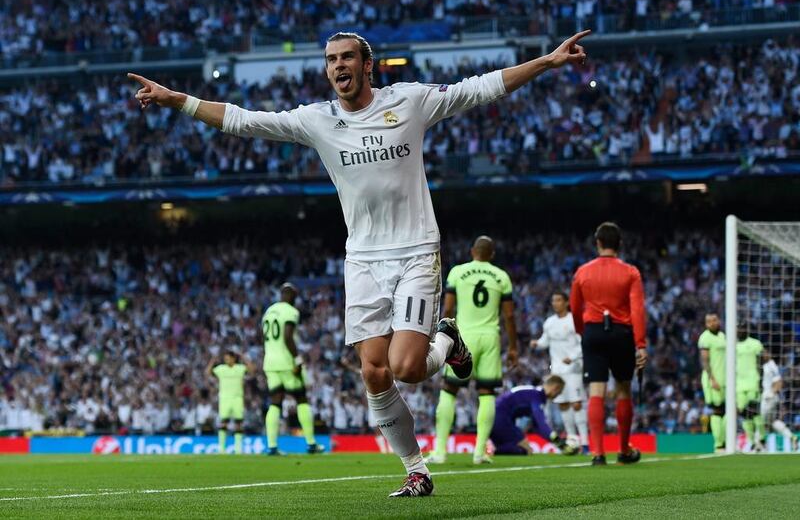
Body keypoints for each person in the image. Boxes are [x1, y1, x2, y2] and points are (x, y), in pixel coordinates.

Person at [128, 28, 591, 497]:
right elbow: (243, 120)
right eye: (331, 60)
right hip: (363, 259)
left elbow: (482, 87)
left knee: (407, 367)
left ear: (367, 65)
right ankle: (416, 469)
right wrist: (176, 99)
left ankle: (447, 339)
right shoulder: (316, 120)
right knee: (374, 371)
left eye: (347, 57)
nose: (338, 66)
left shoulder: (409, 101)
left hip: (414, 251)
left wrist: (545, 62)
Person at [428, 235, 517, 465]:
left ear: (472, 251)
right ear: (492, 255)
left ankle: (439, 451)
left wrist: (440, 336)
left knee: (449, 389)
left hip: (463, 336)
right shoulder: (501, 276)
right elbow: (508, 314)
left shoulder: (458, 272)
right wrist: (514, 347)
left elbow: (448, 307)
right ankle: (479, 452)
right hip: (490, 337)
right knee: (487, 392)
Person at [570, 222, 647, 466]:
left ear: (598, 243)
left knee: (596, 389)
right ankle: (624, 450)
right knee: (623, 388)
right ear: (619, 244)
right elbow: (637, 310)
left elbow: (574, 307)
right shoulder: (631, 272)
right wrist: (641, 344)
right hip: (621, 332)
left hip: (593, 331)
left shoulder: (583, 272)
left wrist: (584, 332)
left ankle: (598, 453)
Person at [262, 283, 324, 455]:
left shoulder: (269, 311)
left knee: (275, 401)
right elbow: (288, 337)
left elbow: (263, 337)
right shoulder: (290, 311)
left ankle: (272, 446)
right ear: (292, 295)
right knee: (301, 398)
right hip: (286, 361)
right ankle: (311, 443)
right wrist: (297, 360)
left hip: (270, 361)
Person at [530, 291, 588, 453]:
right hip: (557, 369)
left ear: (567, 302)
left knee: (576, 403)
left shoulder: (574, 320)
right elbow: (545, 341)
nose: (555, 303)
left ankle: (585, 442)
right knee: (562, 403)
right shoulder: (549, 322)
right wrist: (537, 344)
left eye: (558, 300)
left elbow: (583, 343)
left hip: (574, 367)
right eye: (553, 300)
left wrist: (574, 357)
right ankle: (572, 439)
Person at [490, 375, 578, 455]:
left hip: (493, 416)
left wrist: (556, 442)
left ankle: (494, 449)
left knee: (515, 447)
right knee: (526, 449)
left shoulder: (533, 392)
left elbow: (537, 426)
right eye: (559, 392)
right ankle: (494, 450)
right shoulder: (537, 396)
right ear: (555, 387)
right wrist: (558, 441)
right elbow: (541, 423)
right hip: (499, 418)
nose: (558, 395)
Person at [205, 350, 254, 454]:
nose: (226, 360)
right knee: (224, 422)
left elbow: (252, 370)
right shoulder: (221, 369)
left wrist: (244, 357)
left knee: (238, 423)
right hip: (225, 399)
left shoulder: (240, 368)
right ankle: (222, 449)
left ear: (234, 359)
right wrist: (213, 361)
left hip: (237, 398)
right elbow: (207, 372)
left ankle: (238, 449)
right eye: (225, 359)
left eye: (228, 358)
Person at [697, 313, 726, 452]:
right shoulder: (705, 338)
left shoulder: (724, 336)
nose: (712, 323)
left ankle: (727, 442)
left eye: (714, 320)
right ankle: (719, 444)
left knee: (727, 410)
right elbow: (705, 360)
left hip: (726, 379)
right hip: (712, 379)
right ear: (706, 324)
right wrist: (712, 378)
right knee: (717, 410)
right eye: (709, 321)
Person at [760, 346, 798, 451]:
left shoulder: (770, 365)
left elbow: (779, 382)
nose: (763, 354)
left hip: (769, 397)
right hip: (770, 396)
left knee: (760, 420)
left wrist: (771, 393)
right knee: (773, 422)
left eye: (765, 352)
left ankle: (759, 445)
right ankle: (792, 437)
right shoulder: (767, 365)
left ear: (769, 353)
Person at [736, 324, 764, 451]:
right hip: (739, 385)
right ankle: (752, 441)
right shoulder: (732, 346)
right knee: (744, 414)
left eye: (742, 329)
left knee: (754, 411)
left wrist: (761, 381)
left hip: (753, 382)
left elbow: (760, 363)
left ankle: (762, 438)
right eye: (738, 329)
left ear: (747, 330)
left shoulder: (755, 344)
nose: (739, 331)